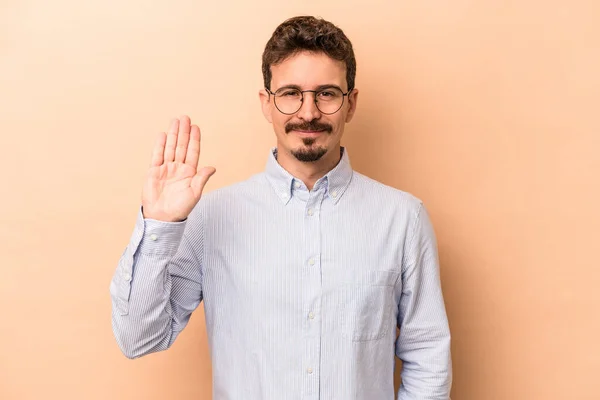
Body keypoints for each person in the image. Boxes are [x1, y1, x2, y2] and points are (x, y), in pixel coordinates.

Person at [110, 15, 452, 399]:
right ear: (267, 104)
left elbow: (427, 354)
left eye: (326, 93)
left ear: (350, 103)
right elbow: (138, 338)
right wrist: (159, 226)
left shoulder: (403, 218)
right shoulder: (210, 217)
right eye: (290, 93)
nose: (308, 112)